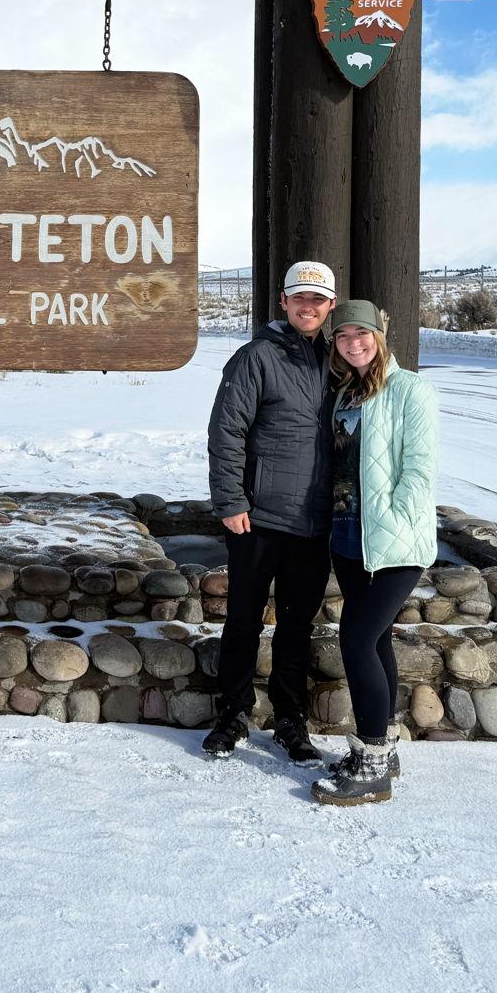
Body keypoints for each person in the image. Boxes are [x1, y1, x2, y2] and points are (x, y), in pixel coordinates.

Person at [203, 260, 338, 764]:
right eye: (299, 297)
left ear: (330, 306)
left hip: (315, 521)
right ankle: (233, 713)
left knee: (297, 628)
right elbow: (227, 431)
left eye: (317, 299)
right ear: (283, 301)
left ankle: (289, 719)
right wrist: (231, 500)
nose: (308, 306)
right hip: (257, 518)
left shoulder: (338, 359)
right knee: (243, 620)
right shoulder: (256, 357)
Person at [309, 300, 439, 807]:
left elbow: (419, 469)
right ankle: (385, 748)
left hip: (393, 542)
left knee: (357, 639)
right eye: (343, 336)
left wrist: (394, 522)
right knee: (378, 639)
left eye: (361, 334)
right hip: (348, 537)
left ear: (379, 336)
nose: (353, 343)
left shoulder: (411, 390)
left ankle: (372, 766)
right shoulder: (345, 392)